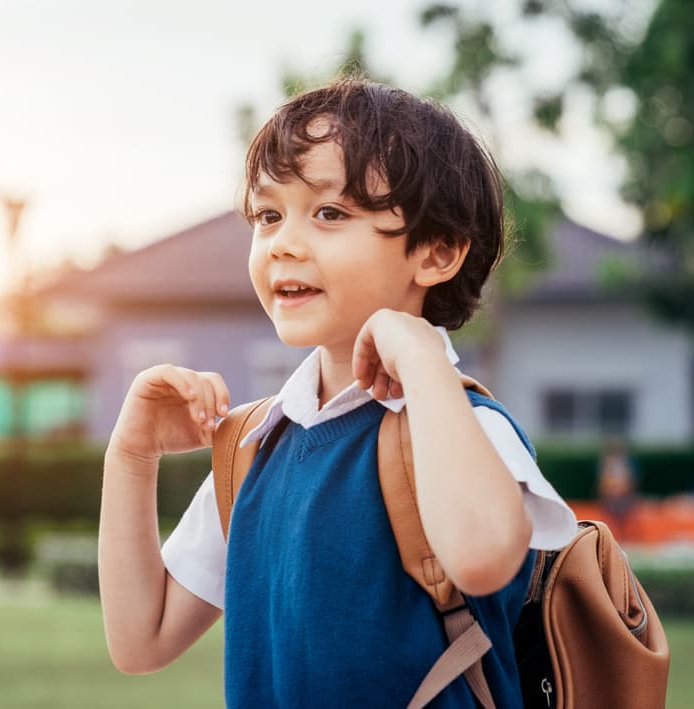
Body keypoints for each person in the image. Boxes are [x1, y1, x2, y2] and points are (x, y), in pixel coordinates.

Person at [98, 78, 578, 707]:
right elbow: (142, 640)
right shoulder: (253, 449)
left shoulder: (464, 426)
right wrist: (131, 456)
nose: (283, 243)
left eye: (329, 213)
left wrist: (423, 358)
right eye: (268, 215)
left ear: (436, 253)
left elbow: (484, 557)